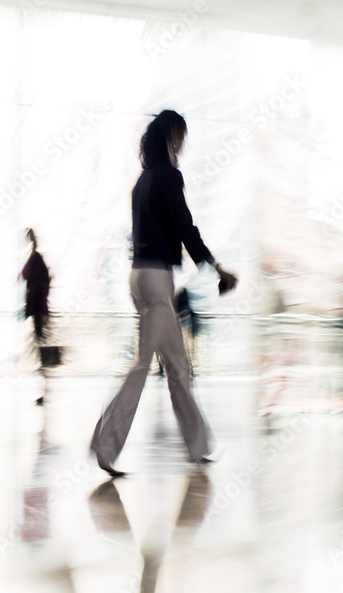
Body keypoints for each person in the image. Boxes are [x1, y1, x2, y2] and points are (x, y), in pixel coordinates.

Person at [90, 109, 238, 476]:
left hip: (140, 276)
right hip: (157, 280)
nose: (183, 144)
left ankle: (199, 446)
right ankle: (105, 446)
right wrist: (216, 267)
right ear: (171, 138)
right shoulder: (170, 177)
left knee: (178, 365)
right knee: (143, 364)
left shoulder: (142, 181)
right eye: (181, 136)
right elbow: (185, 225)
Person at [21, 228, 50, 343]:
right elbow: (25, 274)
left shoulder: (35, 258)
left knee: (39, 330)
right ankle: (41, 343)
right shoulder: (36, 259)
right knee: (39, 330)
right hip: (39, 301)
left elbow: (24, 274)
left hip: (37, 300)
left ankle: (42, 347)